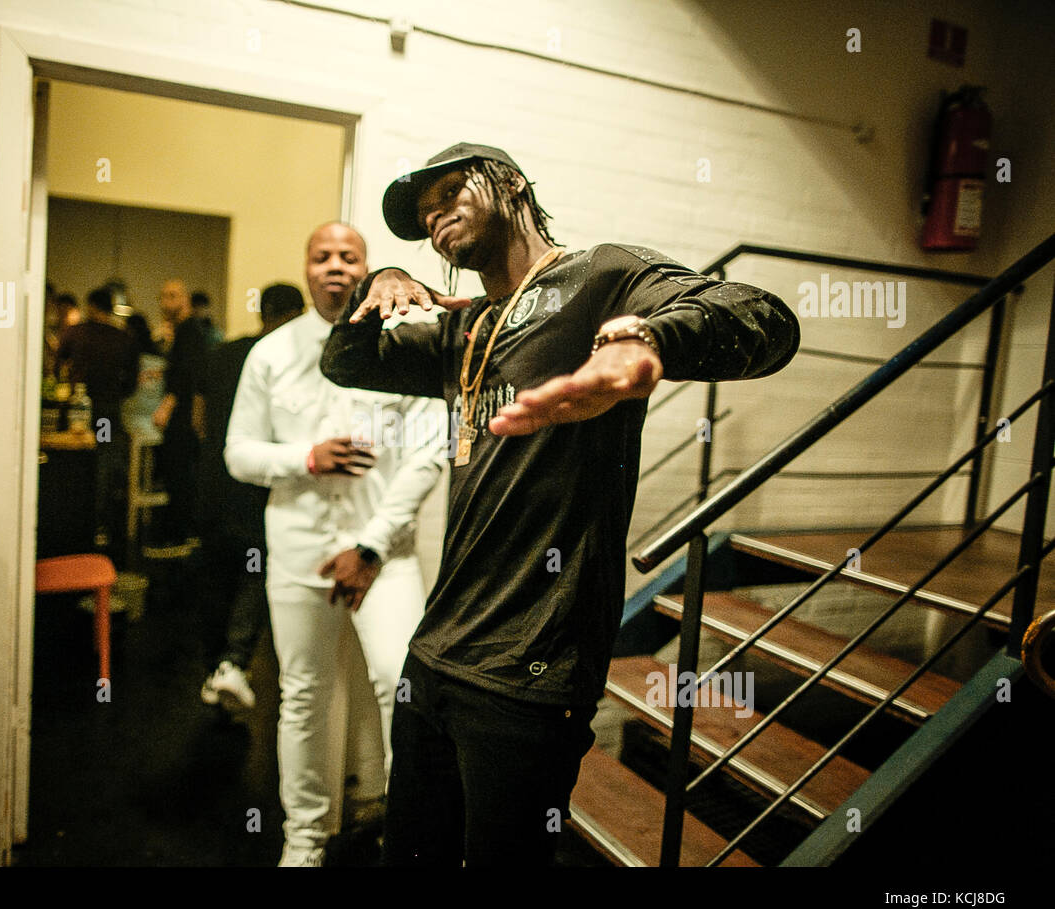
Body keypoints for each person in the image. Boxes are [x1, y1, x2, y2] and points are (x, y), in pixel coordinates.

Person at [320, 142, 801, 866]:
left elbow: (764, 319)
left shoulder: (598, 279)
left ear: (510, 183)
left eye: (452, 191)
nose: (436, 216)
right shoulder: (467, 329)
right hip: (436, 655)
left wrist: (648, 339)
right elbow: (346, 361)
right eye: (423, 215)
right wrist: (379, 285)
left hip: (530, 676)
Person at [225, 223, 448, 866]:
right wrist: (306, 457)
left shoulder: (404, 346)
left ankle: (408, 840)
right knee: (303, 696)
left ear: (366, 268)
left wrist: (373, 544)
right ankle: (305, 840)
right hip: (297, 551)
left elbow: (430, 453)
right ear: (305, 266)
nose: (333, 266)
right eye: (320, 255)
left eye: (348, 257)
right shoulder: (270, 353)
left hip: (385, 555)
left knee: (401, 686)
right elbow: (238, 453)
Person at [197, 283, 305, 712]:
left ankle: (214, 667)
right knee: (254, 570)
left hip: (212, 479)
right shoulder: (286, 359)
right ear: (295, 314)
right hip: (255, 485)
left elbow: (200, 418)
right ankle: (233, 660)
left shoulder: (222, 352)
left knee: (214, 574)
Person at [55, 286, 141, 556]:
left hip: (78, 408)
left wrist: (68, 386)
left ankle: (76, 522)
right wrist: (119, 394)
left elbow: (58, 364)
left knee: (76, 460)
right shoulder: (123, 338)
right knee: (105, 460)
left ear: (91, 306)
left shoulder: (76, 332)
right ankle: (102, 523)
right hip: (109, 410)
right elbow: (133, 378)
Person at [150, 278, 210, 553]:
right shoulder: (184, 330)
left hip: (183, 414)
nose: (165, 302)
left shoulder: (189, 330)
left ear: (184, 300)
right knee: (179, 472)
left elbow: (188, 374)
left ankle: (179, 535)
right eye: (163, 295)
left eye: (172, 296)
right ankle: (180, 534)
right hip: (183, 412)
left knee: (179, 474)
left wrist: (166, 406)